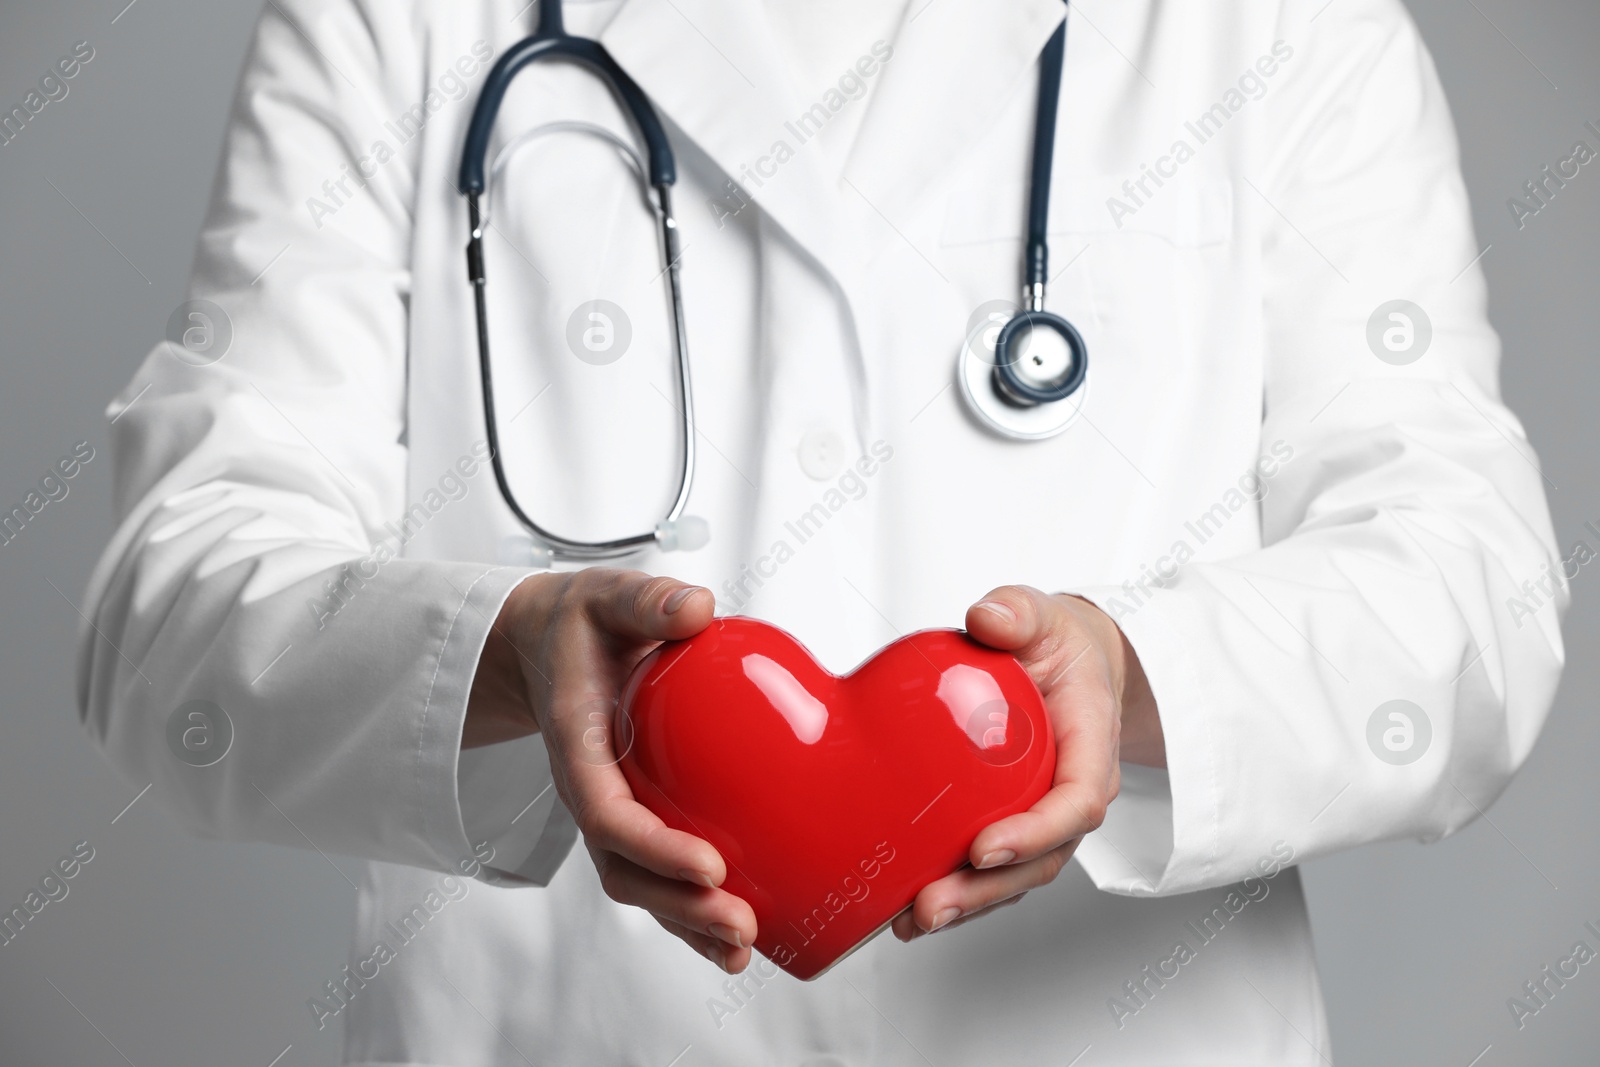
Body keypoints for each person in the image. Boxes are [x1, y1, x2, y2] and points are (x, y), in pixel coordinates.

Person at [77, 0, 1564, 1063]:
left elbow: (1475, 597)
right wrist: (510, 654)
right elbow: (170, 616)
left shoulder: (1281, 30)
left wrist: (1137, 671)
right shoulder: (388, 24)